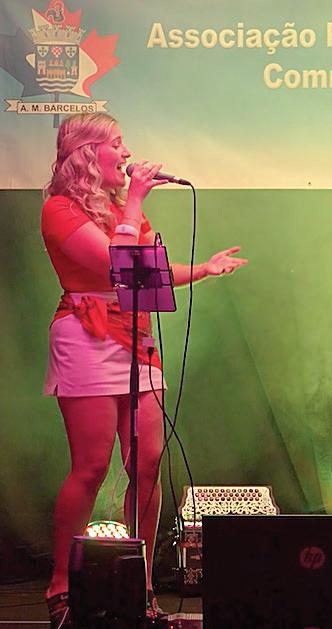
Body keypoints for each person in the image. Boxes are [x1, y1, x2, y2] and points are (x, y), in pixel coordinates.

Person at [41, 112, 247, 629]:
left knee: (148, 462)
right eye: (117, 142)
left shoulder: (119, 208)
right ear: (88, 153)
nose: (128, 152)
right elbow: (116, 263)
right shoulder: (59, 209)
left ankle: (142, 583)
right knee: (91, 466)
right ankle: (61, 583)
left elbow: (148, 271)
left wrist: (203, 269)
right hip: (86, 333)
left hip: (135, 336)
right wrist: (134, 202)